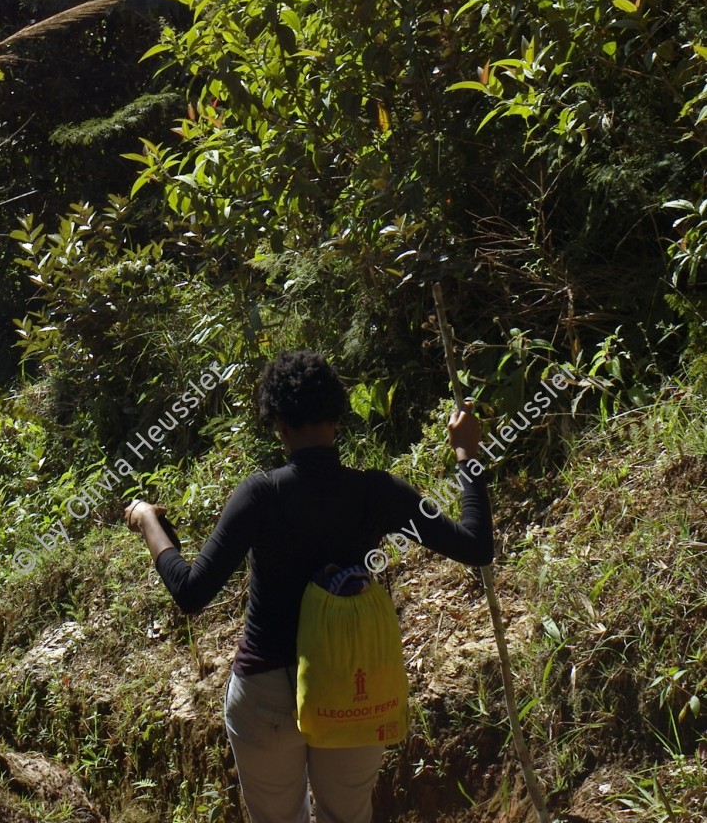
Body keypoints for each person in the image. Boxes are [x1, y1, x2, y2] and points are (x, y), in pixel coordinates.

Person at [123, 350, 493, 823]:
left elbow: (191, 592)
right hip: (352, 688)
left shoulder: (261, 494)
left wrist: (149, 522)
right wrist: (467, 455)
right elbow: (476, 546)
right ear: (337, 415)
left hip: (268, 693)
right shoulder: (376, 492)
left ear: (277, 423)